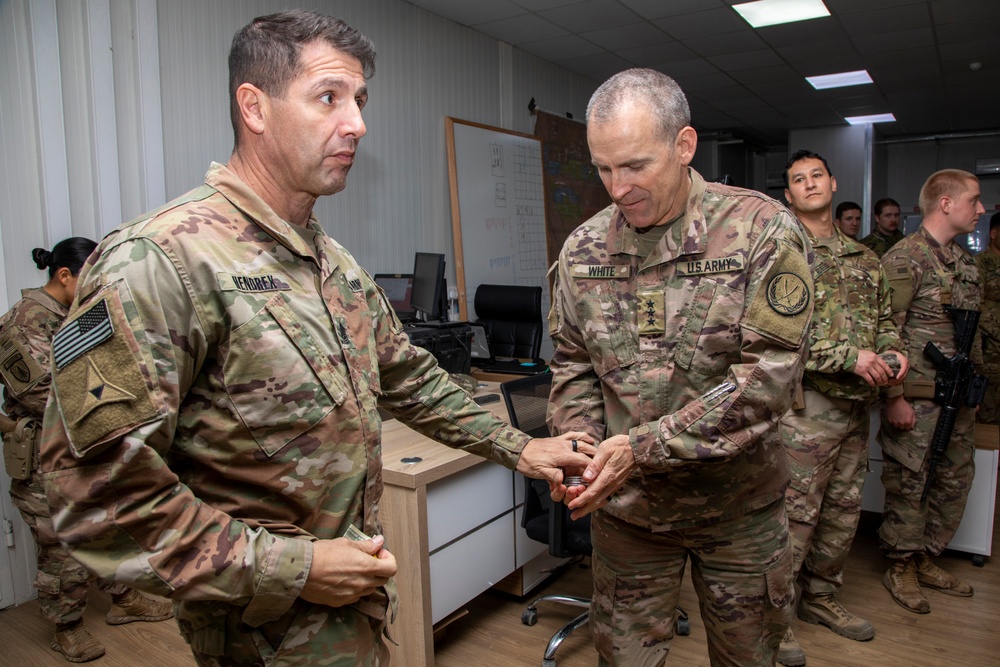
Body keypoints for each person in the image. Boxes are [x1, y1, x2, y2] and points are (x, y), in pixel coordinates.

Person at [37, 11, 592, 667]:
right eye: (329, 97)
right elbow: (93, 495)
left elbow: (409, 380)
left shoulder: (330, 262)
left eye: (359, 100)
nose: (357, 122)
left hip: (352, 615)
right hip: (260, 631)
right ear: (256, 107)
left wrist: (522, 449)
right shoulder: (158, 262)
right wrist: (293, 568)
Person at [548, 68, 815, 667]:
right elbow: (572, 364)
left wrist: (638, 448)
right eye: (603, 168)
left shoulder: (759, 230)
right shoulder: (583, 250)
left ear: (684, 146)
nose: (618, 188)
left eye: (636, 165)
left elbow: (766, 380)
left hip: (738, 511)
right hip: (628, 517)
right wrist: (581, 449)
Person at [0, 238, 173, 663]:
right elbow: (45, 395)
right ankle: (67, 628)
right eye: (90, 278)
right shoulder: (25, 321)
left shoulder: (75, 312)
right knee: (60, 545)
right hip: (48, 454)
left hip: (89, 444)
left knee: (107, 525)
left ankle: (123, 600)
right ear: (64, 276)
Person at [776, 152, 908, 667]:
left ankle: (822, 598)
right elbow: (779, 339)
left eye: (816, 176)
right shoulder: (782, 255)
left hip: (857, 409)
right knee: (795, 515)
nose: (809, 185)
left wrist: (894, 356)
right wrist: (851, 357)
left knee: (842, 512)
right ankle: (777, 618)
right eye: (797, 181)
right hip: (806, 412)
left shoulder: (865, 259)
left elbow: (885, 322)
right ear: (788, 195)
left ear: (833, 182)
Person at [878, 169, 984, 614]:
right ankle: (900, 563)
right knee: (910, 482)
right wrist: (894, 397)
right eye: (974, 200)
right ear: (945, 203)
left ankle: (925, 555)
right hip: (918, 399)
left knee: (953, 479)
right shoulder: (906, 259)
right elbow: (885, 333)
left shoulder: (964, 263)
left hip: (958, 399)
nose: (981, 209)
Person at [974, 212, 1000, 424]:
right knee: (988, 416)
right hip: (989, 350)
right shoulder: (979, 264)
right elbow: (975, 306)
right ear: (993, 233)